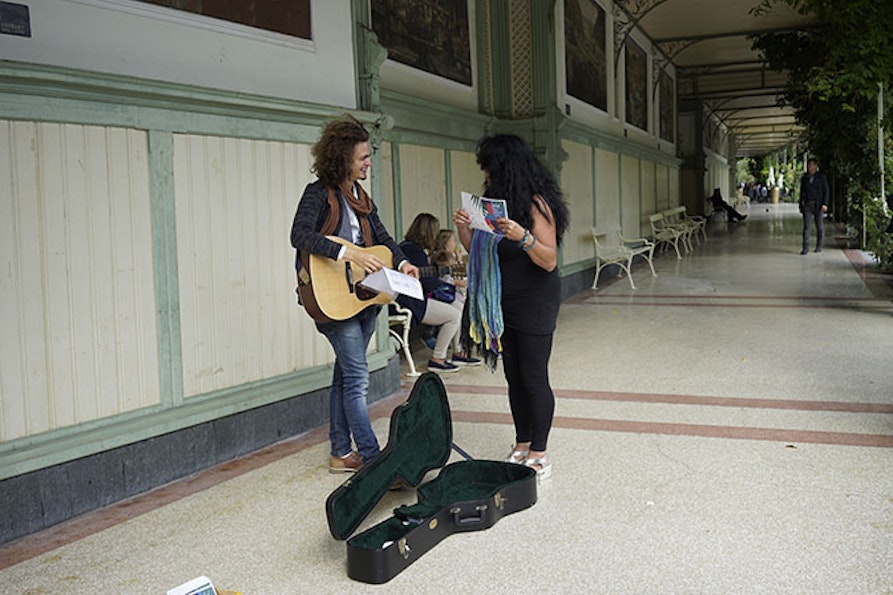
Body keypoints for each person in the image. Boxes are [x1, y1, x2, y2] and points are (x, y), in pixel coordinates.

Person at [290, 115, 419, 474]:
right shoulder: (317, 193)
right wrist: (348, 254)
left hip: (364, 296)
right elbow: (299, 235)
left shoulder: (361, 197)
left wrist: (404, 262)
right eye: (362, 157)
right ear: (342, 157)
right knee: (358, 379)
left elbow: (384, 238)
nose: (368, 163)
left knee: (346, 376)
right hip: (331, 298)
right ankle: (372, 458)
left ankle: (340, 453)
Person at [453, 134, 569, 480]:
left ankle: (540, 451)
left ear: (507, 168)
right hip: (502, 299)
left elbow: (548, 260)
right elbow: (477, 250)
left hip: (536, 299)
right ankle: (522, 442)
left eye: (490, 169)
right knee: (513, 376)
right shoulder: (493, 205)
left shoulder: (537, 204)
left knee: (534, 376)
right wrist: (463, 229)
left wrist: (523, 237)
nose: (486, 176)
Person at [396, 213, 481, 372]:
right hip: (412, 302)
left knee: (458, 310)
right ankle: (438, 358)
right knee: (455, 314)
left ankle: (457, 351)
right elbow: (432, 283)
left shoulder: (411, 248)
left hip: (417, 299)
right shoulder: (417, 251)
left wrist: (458, 259)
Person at [798, 158, 830, 254]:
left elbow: (826, 191)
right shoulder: (805, 178)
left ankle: (819, 245)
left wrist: (825, 203)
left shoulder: (821, 177)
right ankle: (805, 247)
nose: (810, 167)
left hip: (818, 205)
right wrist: (801, 205)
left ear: (816, 166)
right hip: (808, 204)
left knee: (819, 226)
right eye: (808, 165)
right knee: (807, 226)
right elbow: (802, 192)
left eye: (812, 165)